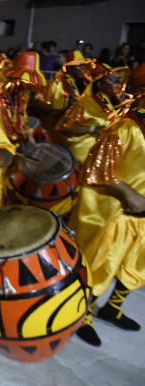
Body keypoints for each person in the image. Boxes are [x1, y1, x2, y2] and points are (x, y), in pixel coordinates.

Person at [69, 62, 145, 346]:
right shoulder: (125, 128)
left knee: (137, 265)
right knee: (100, 266)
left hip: (141, 216)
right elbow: (96, 171)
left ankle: (113, 308)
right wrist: (130, 194)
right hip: (117, 213)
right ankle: (82, 316)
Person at [56, 63, 129, 163]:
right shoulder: (85, 103)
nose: (117, 83)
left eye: (118, 79)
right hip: (83, 157)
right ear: (99, 84)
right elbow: (66, 126)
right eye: (111, 80)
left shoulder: (120, 104)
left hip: (104, 158)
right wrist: (93, 128)